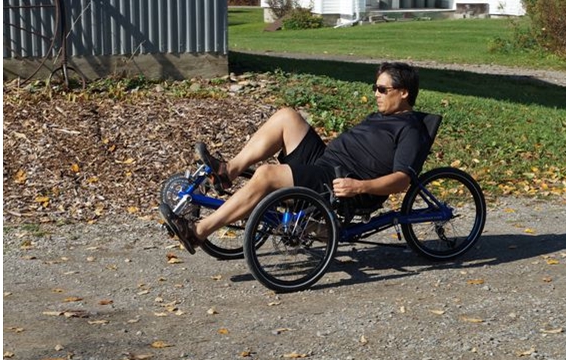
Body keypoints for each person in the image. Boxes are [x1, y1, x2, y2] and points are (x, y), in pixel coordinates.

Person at [158, 61, 432, 254]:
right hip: (325, 162)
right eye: (375, 87)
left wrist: (359, 187)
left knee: (267, 174)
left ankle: (198, 232)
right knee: (287, 116)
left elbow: (401, 180)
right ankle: (227, 171)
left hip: (342, 183)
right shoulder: (381, 116)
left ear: (404, 93)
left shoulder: (410, 130)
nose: (376, 94)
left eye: (382, 90)